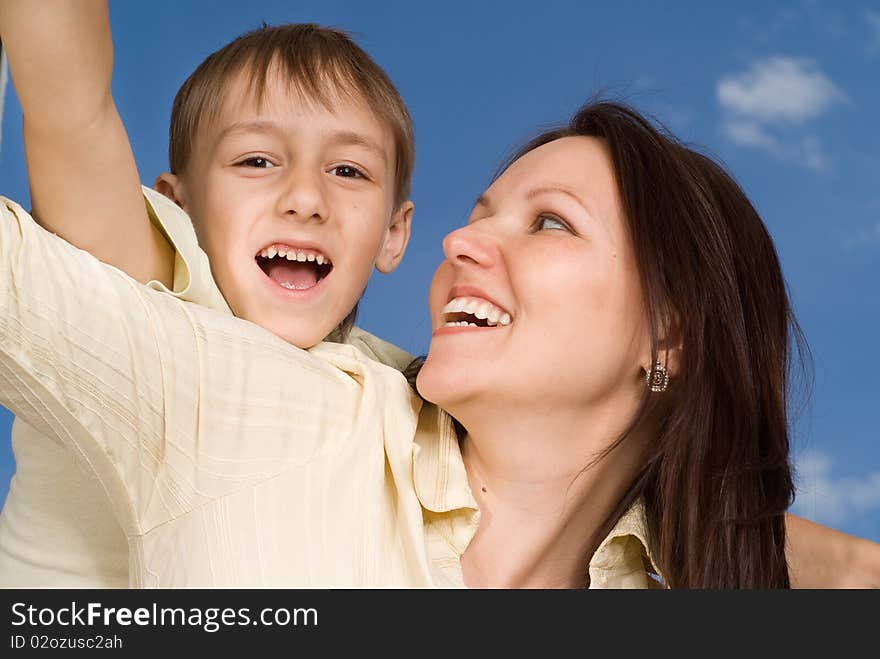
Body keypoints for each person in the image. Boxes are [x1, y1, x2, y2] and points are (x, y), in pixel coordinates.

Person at [2, 93, 879, 586]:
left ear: (670, 331)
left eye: (549, 224)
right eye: (475, 215)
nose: (459, 244)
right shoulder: (282, 416)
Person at [0, 1, 414, 586]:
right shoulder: (150, 288)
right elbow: (70, 110)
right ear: (177, 205)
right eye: (256, 160)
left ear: (394, 233)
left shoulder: (386, 387)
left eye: (348, 170)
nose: (305, 197)